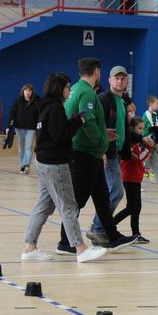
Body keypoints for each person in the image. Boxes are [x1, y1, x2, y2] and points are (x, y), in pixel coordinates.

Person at [22, 72, 107, 263]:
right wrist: (77, 122)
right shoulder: (55, 108)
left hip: (43, 162)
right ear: (59, 88)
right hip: (55, 164)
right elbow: (61, 136)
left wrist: (71, 122)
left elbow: (55, 132)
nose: (70, 90)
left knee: (44, 205)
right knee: (68, 206)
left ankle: (29, 247)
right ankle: (80, 248)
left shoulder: (45, 107)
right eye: (68, 87)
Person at [58, 57, 138, 254]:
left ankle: (113, 236)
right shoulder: (86, 92)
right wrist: (102, 142)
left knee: (102, 197)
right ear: (97, 72)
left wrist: (103, 133)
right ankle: (65, 242)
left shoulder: (77, 89)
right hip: (84, 153)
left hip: (89, 152)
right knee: (78, 199)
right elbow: (87, 122)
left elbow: (91, 122)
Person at [86, 66, 153, 245]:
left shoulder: (122, 103)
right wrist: (101, 150)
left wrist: (140, 138)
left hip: (116, 153)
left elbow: (123, 131)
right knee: (115, 191)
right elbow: (97, 126)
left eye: (123, 78)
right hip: (107, 153)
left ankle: (100, 229)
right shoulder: (103, 99)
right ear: (109, 80)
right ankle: (98, 228)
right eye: (117, 78)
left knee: (111, 192)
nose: (120, 81)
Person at [113, 117, 152, 243]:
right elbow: (138, 158)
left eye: (143, 129)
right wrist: (149, 148)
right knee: (131, 207)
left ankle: (136, 234)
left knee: (137, 207)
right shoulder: (128, 144)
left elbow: (139, 161)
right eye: (139, 128)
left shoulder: (136, 144)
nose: (141, 131)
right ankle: (109, 226)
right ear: (132, 129)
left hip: (136, 178)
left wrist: (143, 168)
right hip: (129, 178)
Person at [7, 84, 39, 174]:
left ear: (32, 92)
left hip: (31, 129)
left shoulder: (36, 101)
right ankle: (22, 165)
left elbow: (40, 114)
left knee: (28, 147)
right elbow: (12, 113)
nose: (27, 92)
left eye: (29, 90)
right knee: (21, 148)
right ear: (23, 91)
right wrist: (9, 126)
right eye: (26, 90)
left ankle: (26, 165)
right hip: (19, 128)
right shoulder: (18, 101)